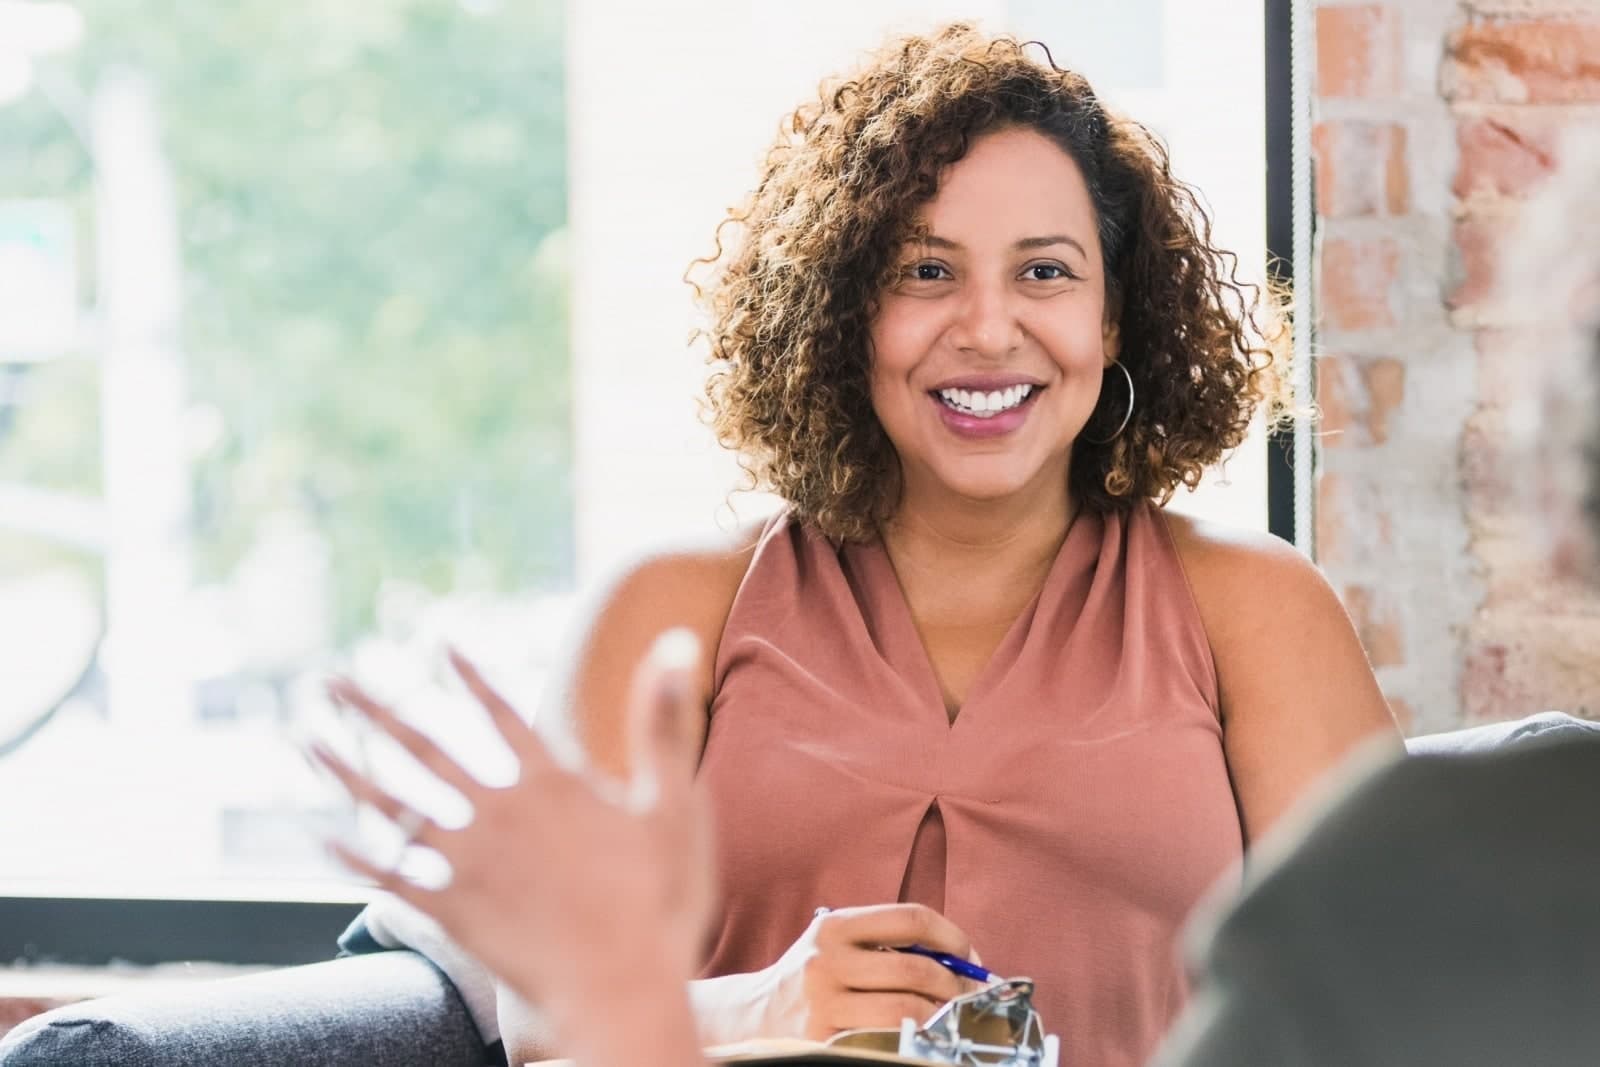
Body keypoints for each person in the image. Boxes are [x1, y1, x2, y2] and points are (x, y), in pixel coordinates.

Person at [321, 21, 1397, 1066]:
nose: (985, 328)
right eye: (925, 272)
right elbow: (544, 1021)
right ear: (841, 309)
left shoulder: (1251, 605)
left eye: (1046, 272)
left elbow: (1404, 988)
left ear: (1114, 319)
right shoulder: (668, 610)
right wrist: (766, 999)